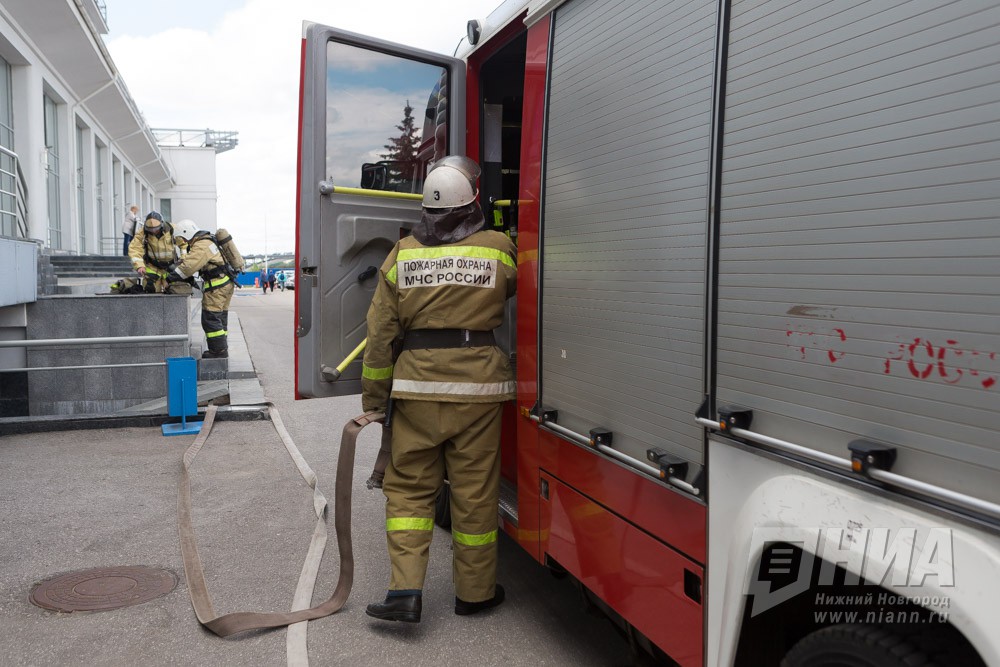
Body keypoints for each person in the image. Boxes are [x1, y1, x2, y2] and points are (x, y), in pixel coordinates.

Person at [361, 156, 516, 624]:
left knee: (409, 490)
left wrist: (375, 402)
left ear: (426, 209)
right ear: (473, 202)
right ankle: (475, 593)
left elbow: (380, 335)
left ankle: (404, 593)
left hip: (416, 390)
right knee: (475, 493)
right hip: (479, 391)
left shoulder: (402, 253)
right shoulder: (499, 248)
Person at [167, 220, 235, 359]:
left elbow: (188, 267)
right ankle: (221, 347)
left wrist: (170, 277)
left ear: (186, 233)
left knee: (210, 318)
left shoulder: (201, 245)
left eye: (183, 238)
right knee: (220, 317)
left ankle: (218, 351)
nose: (184, 241)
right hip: (225, 283)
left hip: (217, 286)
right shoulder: (207, 240)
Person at [128, 211, 189, 294]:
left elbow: (183, 244)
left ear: (162, 224)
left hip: (170, 266)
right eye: (150, 229)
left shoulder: (172, 229)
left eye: (156, 229)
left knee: (174, 290)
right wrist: (139, 266)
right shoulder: (143, 232)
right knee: (151, 290)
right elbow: (135, 249)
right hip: (152, 266)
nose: (153, 231)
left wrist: (183, 258)